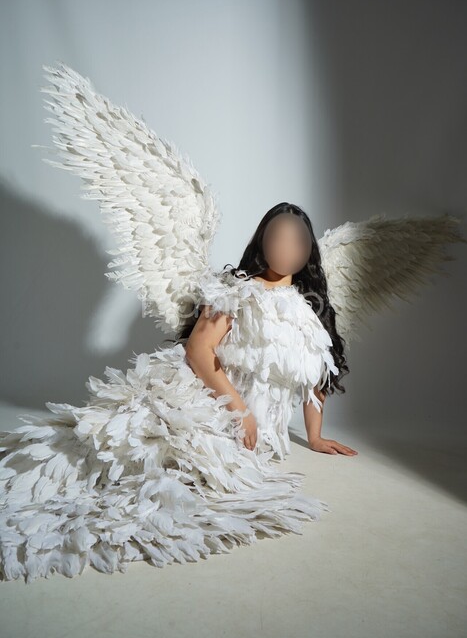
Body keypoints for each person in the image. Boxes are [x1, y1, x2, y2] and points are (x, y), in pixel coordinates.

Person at [0, 203, 356, 584]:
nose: (286, 247)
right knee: (124, 461)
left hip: (252, 435)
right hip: (209, 403)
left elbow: (317, 377)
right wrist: (238, 410)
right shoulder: (237, 290)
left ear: (308, 250)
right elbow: (199, 350)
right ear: (263, 242)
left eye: (295, 240)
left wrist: (315, 436)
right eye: (277, 237)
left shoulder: (312, 309)